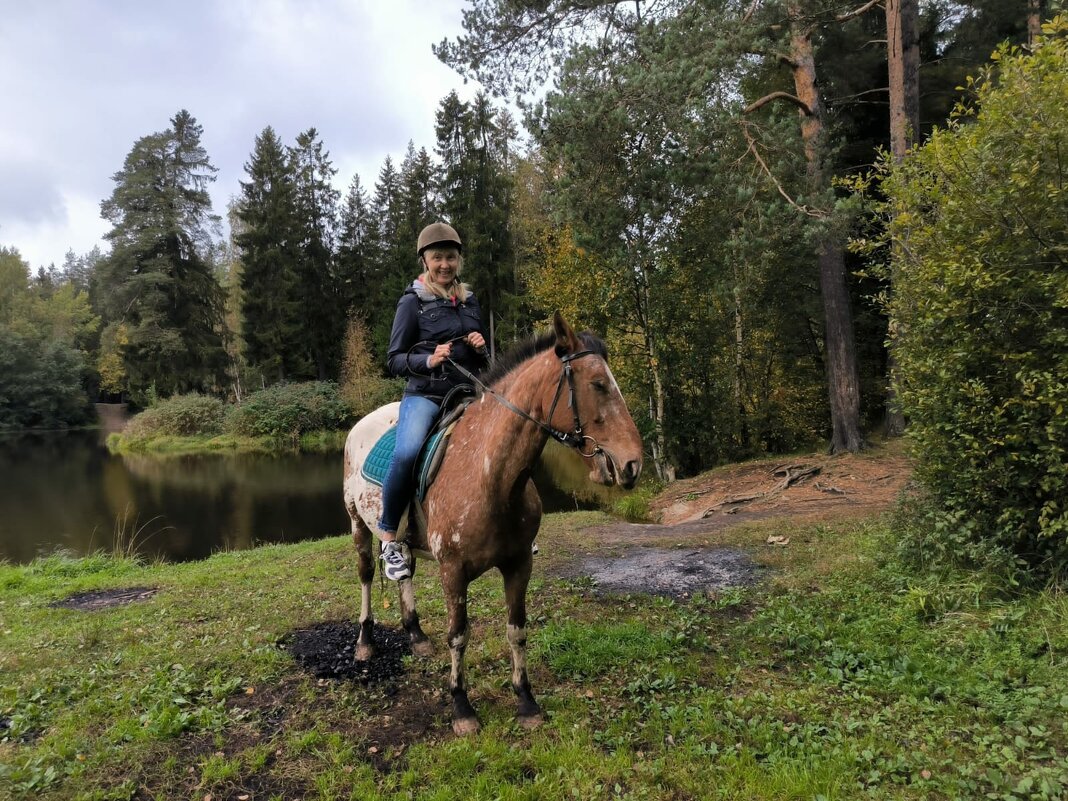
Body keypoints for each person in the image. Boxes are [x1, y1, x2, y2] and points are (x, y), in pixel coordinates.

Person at [377, 222, 489, 580]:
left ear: (459, 260)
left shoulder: (471, 302)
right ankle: (390, 539)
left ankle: (506, 525)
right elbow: (393, 359)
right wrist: (426, 360)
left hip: (468, 392)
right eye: (437, 257)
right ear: (425, 260)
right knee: (408, 452)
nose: (445, 264)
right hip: (425, 394)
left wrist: (482, 347)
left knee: (507, 439)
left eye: (451, 257)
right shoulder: (412, 303)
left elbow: (485, 363)